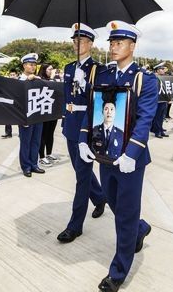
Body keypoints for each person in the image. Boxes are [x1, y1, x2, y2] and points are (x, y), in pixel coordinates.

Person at [79, 20, 156, 292]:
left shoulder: (144, 79)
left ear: (132, 47)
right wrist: (83, 139)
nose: (113, 47)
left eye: (119, 43)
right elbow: (93, 110)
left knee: (125, 214)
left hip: (130, 161)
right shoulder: (104, 76)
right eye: (111, 42)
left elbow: (145, 119)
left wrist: (132, 153)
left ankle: (118, 272)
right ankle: (140, 228)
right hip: (106, 155)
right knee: (113, 202)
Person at [57, 23, 106, 244]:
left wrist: (84, 83)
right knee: (79, 170)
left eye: (82, 41)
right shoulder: (68, 68)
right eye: (75, 41)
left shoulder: (97, 69)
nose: (77, 44)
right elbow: (66, 97)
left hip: (87, 126)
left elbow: (99, 100)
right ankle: (100, 197)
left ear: (90, 44)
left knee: (81, 178)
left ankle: (75, 226)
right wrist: (64, 120)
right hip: (71, 125)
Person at [18, 53, 45, 177]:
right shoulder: (20, 80)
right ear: (24, 65)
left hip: (37, 115)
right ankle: (26, 167)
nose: (33, 67)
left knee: (36, 141)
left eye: (34, 65)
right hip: (25, 116)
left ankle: (34, 164)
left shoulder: (38, 80)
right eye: (30, 64)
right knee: (26, 142)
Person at [38, 63, 58, 167]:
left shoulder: (53, 81)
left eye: (52, 69)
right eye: (49, 69)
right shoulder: (39, 80)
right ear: (44, 70)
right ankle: (42, 157)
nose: (51, 71)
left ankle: (49, 153)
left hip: (52, 112)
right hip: (43, 112)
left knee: (50, 134)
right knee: (43, 135)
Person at [151, 62, 169, 138]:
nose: (163, 70)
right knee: (157, 117)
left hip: (164, 99)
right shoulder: (154, 78)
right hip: (157, 100)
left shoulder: (165, 78)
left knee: (162, 117)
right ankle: (157, 132)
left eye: (163, 69)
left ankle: (161, 130)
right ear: (157, 70)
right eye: (161, 69)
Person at [1, 71, 18, 139]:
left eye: (13, 74)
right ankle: (8, 133)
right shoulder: (7, 84)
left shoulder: (20, 83)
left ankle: (21, 132)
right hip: (9, 103)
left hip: (18, 103)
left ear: (16, 75)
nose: (12, 76)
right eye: (11, 75)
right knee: (7, 118)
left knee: (20, 118)